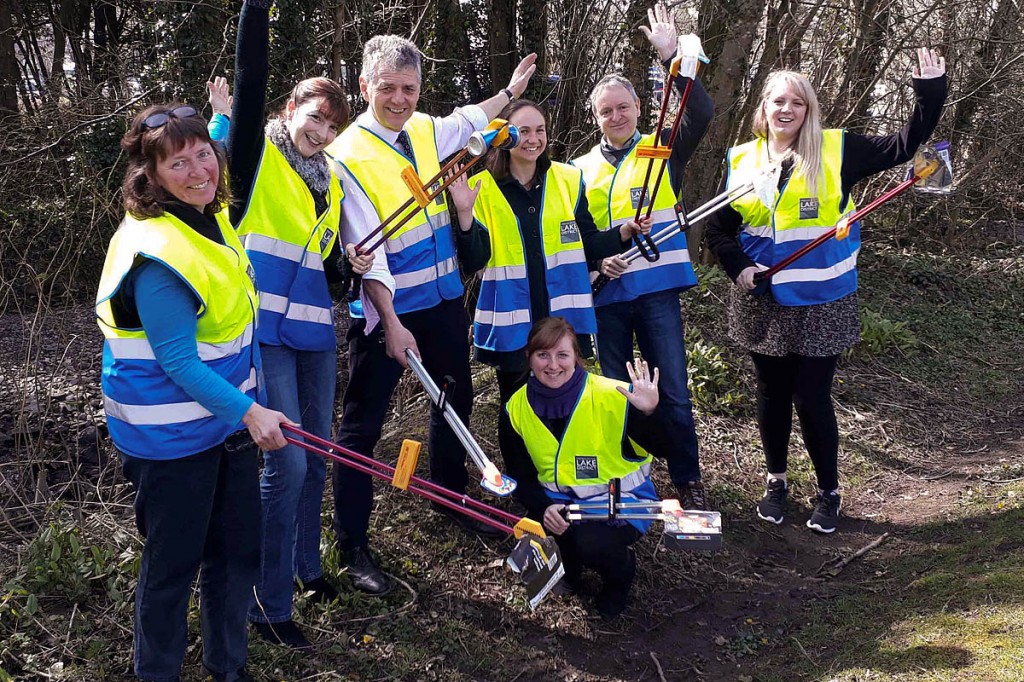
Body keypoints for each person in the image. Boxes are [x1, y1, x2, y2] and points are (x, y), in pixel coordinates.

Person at [325, 34, 537, 595]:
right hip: (386, 314)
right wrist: (393, 325)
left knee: (454, 399)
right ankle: (352, 542)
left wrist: (510, 93)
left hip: (443, 303)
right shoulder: (346, 156)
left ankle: (452, 491)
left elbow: (470, 117)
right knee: (361, 426)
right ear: (366, 86)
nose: (400, 99)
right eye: (388, 88)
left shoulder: (423, 130)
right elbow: (362, 252)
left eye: (410, 89)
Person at [705, 48, 948, 533]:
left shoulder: (838, 150)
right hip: (763, 302)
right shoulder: (743, 159)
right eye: (778, 101)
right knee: (771, 394)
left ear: (809, 110)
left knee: (811, 397)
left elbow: (907, 143)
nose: (787, 110)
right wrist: (739, 268)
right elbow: (718, 231)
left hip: (823, 300)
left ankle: (828, 492)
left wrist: (930, 92)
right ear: (764, 108)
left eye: (797, 102)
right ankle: (776, 482)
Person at [96, 103, 292, 682]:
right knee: (172, 569)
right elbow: (178, 360)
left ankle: (227, 668)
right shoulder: (156, 254)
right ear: (150, 178)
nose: (197, 170)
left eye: (203, 154)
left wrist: (222, 119)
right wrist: (252, 412)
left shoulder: (210, 216)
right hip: (172, 436)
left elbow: (228, 140)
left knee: (235, 556)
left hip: (224, 425)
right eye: (176, 163)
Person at [229, 0, 372, 649]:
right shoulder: (255, 155)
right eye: (315, 116)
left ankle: (306, 568)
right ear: (291, 110)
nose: (322, 129)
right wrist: (256, 12)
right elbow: (251, 77)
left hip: (315, 334)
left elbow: (320, 266)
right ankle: (267, 602)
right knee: (283, 465)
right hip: (265, 335)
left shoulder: (332, 181)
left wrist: (348, 263)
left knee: (317, 459)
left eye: (332, 123)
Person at [572, 3, 714, 510]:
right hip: (605, 295)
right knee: (614, 393)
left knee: (671, 387)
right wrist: (594, 264)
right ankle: (622, 476)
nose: (616, 116)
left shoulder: (661, 146)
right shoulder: (578, 168)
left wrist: (674, 56)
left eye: (623, 107)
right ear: (596, 118)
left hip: (655, 291)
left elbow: (699, 113)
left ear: (637, 108)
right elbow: (574, 237)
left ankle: (687, 477)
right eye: (606, 110)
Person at [457, 98, 644, 473]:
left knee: (566, 398)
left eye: (539, 130)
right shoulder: (480, 187)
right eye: (522, 131)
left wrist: (623, 233)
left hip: (562, 319)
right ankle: (524, 482)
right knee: (517, 404)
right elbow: (473, 259)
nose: (533, 139)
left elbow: (587, 240)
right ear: (503, 137)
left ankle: (563, 474)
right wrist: (464, 213)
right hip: (513, 324)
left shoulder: (568, 178)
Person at [502, 317, 672, 619]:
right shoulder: (515, 407)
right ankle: (570, 568)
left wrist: (649, 412)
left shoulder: (614, 395)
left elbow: (667, 447)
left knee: (588, 543)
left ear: (576, 357)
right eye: (543, 355)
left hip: (622, 507)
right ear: (529, 357)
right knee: (543, 534)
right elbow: (520, 475)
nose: (553, 365)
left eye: (562, 355)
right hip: (560, 506)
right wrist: (543, 508)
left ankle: (620, 576)